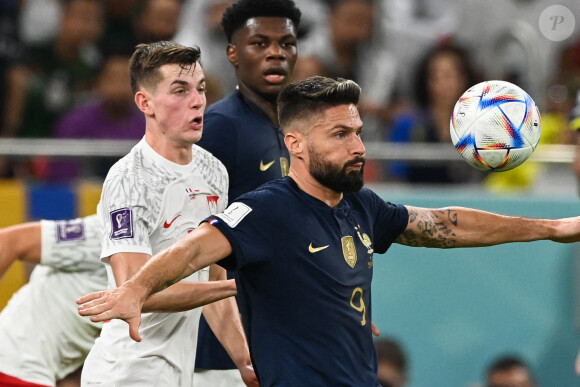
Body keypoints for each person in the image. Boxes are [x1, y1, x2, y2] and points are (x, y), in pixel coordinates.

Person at [77, 76, 580, 386]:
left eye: (358, 132)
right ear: (295, 144)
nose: (358, 145)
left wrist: (553, 227)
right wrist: (137, 289)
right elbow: (194, 248)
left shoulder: (360, 205)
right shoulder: (267, 210)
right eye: (340, 135)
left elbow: (446, 223)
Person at [79, 41, 257, 387]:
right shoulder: (128, 180)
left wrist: (246, 363)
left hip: (177, 374)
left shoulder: (214, 172)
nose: (197, 101)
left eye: (201, 89)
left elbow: (213, 282)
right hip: (125, 374)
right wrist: (243, 285)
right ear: (145, 103)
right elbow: (136, 293)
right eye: (180, 90)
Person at [193, 0, 300, 385]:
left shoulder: (298, 127)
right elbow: (193, 243)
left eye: (287, 43)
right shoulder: (218, 129)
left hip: (283, 335)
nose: (276, 53)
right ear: (233, 54)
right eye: (260, 43)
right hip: (224, 354)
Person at [0, 216, 106, 387]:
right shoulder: (109, 231)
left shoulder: (156, 251)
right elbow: (9, 242)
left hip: (34, 371)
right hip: (15, 365)